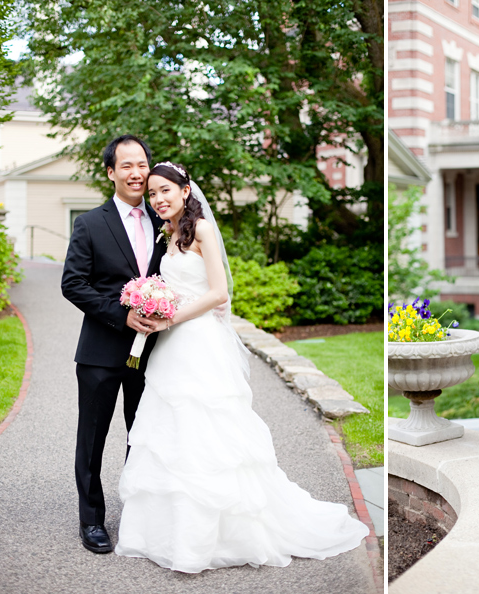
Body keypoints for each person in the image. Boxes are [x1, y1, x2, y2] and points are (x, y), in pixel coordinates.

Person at [113, 162, 369, 572]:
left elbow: (219, 292)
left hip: (197, 342)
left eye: (166, 190)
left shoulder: (201, 230)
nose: (159, 199)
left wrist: (170, 317)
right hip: (171, 347)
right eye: (153, 193)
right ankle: (169, 531)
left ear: (185, 190)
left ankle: (220, 534)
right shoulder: (169, 233)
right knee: (172, 430)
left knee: (207, 430)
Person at [62, 135, 166, 554]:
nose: (137, 173)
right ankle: (92, 521)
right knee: (93, 438)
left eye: (142, 164)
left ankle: (139, 514)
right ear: (111, 172)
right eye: (127, 165)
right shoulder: (89, 223)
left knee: (142, 437)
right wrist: (120, 314)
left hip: (155, 354)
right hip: (101, 352)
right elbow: (73, 284)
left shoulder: (166, 220)